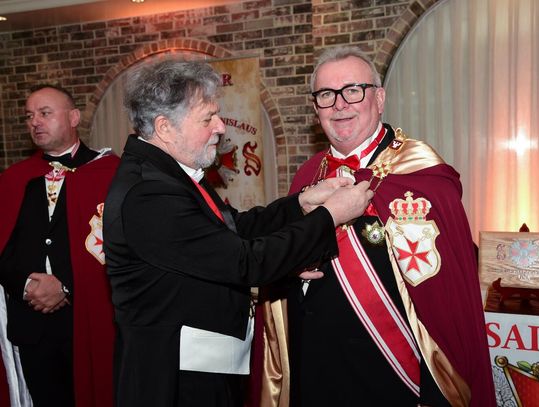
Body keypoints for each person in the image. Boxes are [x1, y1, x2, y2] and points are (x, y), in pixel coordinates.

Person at [103, 59, 373, 407]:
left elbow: (235, 228)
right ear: (165, 128)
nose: (220, 127)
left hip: (202, 370)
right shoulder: (149, 193)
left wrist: (301, 203)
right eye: (207, 119)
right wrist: (330, 215)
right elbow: (246, 262)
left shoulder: (170, 173)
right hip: (174, 380)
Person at [259, 46, 496, 406]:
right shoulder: (307, 176)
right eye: (326, 95)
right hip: (317, 368)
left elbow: (447, 298)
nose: (339, 105)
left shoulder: (422, 173)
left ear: (380, 99)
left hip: (395, 377)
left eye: (353, 90)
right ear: (316, 109)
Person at [0, 84, 119, 407]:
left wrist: (65, 286)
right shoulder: (14, 179)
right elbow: (3, 249)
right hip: (32, 324)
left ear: (74, 117)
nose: (35, 122)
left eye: (45, 113)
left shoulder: (110, 173)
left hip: (90, 318)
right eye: (29, 116)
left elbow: (120, 249)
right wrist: (27, 285)